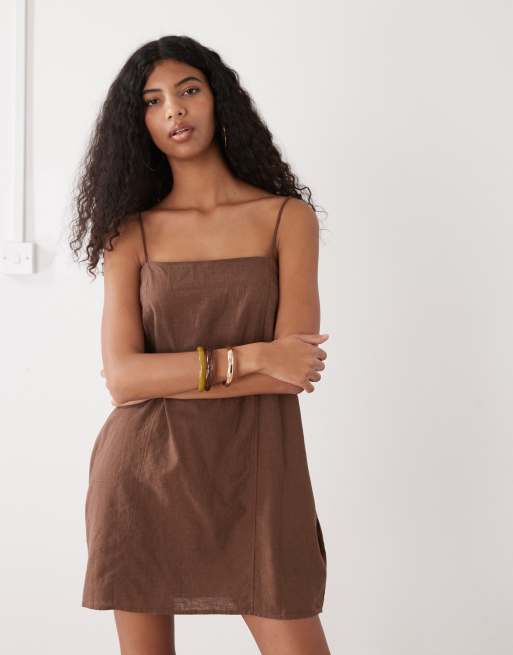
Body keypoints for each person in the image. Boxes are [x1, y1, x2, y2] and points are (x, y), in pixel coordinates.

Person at [69, 35, 331, 655]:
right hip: (144, 476)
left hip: (258, 475)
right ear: (139, 123)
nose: (174, 110)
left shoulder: (285, 218)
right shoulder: (129, 233)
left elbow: (293, 372)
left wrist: (175, 375)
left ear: (218, 99)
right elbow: (123, 380)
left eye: (188, 90)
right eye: (153, 101)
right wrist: (255, 355)